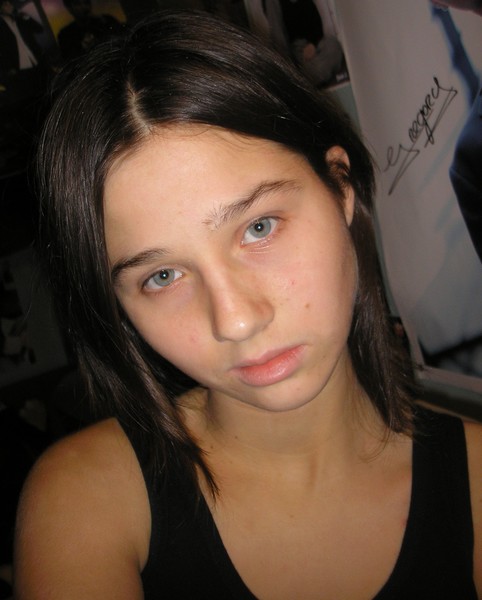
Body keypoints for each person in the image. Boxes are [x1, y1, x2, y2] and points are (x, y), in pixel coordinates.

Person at [13, 10, 482, 599]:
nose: (235, 319)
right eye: (163, 276)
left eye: (259, 227)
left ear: (340, 186)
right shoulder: (89, 501)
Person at [57, 0, 124, 62]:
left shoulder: (106, 20)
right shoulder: (65, 35)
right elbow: (69, 61)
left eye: (86, 2)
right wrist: (82, 49)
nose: (84, 7)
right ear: (69, 8)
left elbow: (122, 38)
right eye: (77, 4)